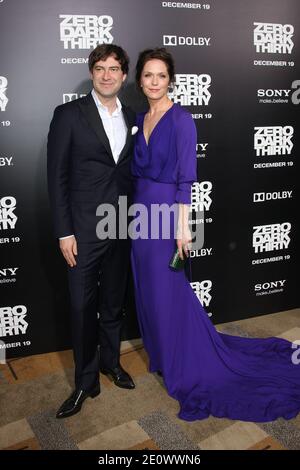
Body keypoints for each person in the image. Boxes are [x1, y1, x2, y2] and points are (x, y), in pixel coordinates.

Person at [131, 48, 300, 422]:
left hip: (165, 218)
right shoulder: (141, 117)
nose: (154, 82)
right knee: (149, 293)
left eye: (161, 75)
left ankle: (183, 364)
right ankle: (163, 356)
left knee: (167, 293)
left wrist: (182, 226)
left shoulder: (181, 120)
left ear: (170, 80)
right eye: (148, 75)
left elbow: (186, 178)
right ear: (140, 80)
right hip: (140, 217)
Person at [47, 44, 136, 419]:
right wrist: (64, 231)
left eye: (114, 68)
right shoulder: (69, 114)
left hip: (121, 223)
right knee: (83, 306)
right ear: (91, 72)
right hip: (82, 229)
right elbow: (57, 176)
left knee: (113, 302)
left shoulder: (132, 115)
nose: (106, 74)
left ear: (124, 75)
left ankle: (110, 362)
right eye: (100, 68)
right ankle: (85, 381)